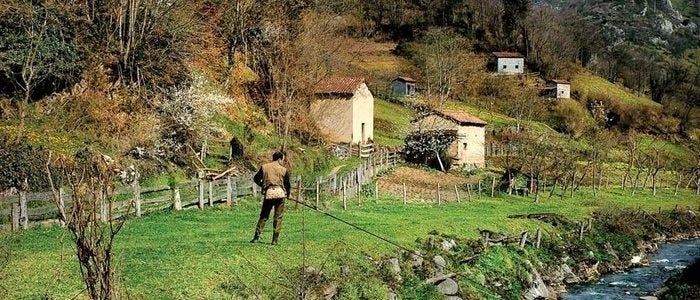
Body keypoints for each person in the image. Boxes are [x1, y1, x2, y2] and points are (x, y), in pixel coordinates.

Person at [251, 151, 291, 245]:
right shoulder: (283, 170)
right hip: (280, 193)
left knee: (264, 215)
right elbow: (287, 184)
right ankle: (274, 240)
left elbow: (256, 178)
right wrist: (288, 194)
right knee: (278, 217)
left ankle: (256, 237)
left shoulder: (264, 167)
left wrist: (263, 185)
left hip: (269, 193)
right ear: (279, 159)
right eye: (283, 160)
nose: (283, 162)